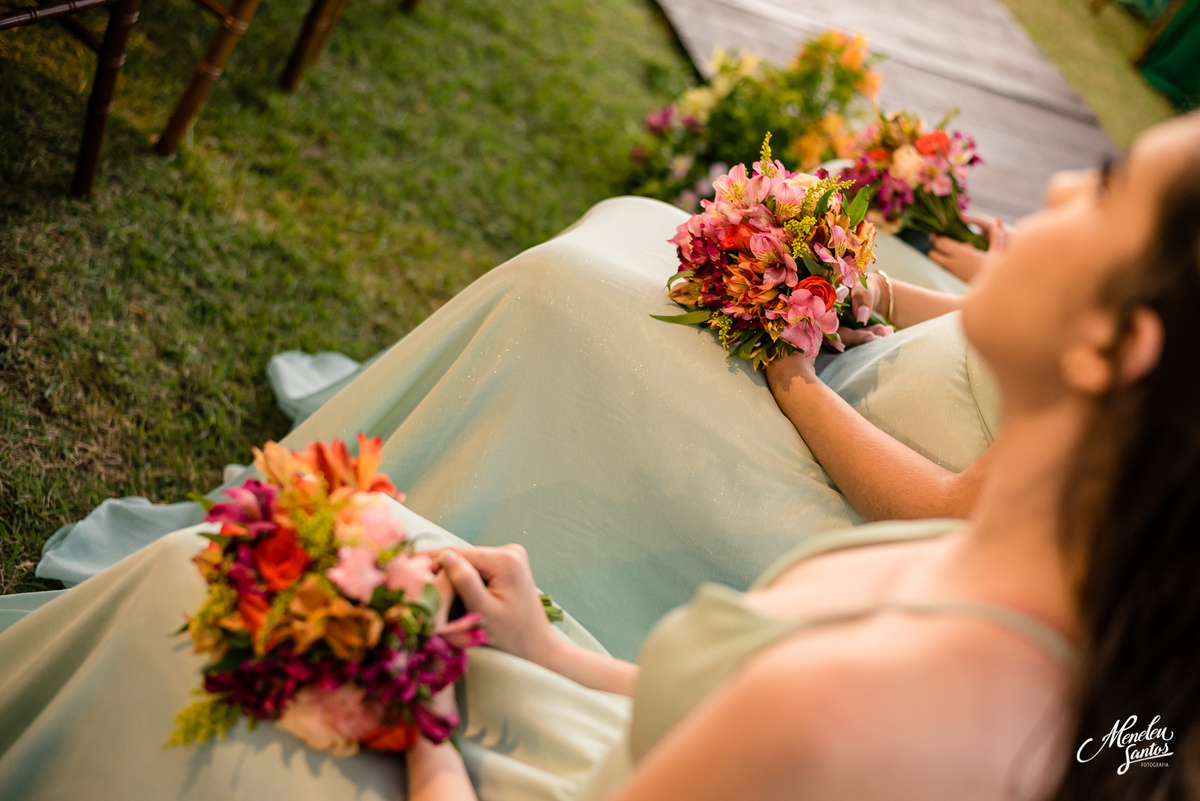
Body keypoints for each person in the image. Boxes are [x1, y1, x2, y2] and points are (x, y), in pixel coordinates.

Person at [2, 112, 1197, 801]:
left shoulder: (860, 705)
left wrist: (418, 725)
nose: (1049, 190)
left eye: (1100, 190)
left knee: (202, 592)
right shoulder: (1074, 621)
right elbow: (738, 714)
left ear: (1112, 345)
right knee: (344, 548)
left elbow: (782, 719)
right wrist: (547, 649)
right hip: (602, 726)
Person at [35, 193, 990, 661]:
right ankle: (400, 445)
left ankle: (403, 509)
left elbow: (951, 510)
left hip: (837, 498)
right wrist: (833, 276)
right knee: (614, 243)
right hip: (835, 367)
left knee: (565, 304)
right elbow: (975, 315)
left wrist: (795, 382)